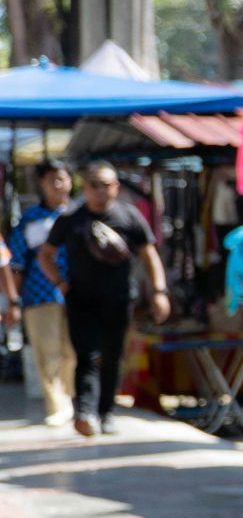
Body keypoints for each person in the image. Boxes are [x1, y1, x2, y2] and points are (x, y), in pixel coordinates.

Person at [38, 162, 170, 436]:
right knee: (86, 355)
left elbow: (149, 256)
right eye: (94, 185)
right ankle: (85, 412)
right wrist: (59, 282)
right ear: (84, 188)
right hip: (81, 300)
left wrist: (159, 292)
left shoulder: (129, 217)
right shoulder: (71, 220)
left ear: (116, 188)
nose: (100, 191)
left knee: (112, 356)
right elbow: (45, 255)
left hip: (118, 299)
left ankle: (106, 412)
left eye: (106, 185)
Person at [9, 164, 78, 425]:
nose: (58, 185)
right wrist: (13, 300)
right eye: (52, 180)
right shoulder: (31, 219)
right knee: (47, 353)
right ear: (42, 184)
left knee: (72, 352)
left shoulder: (79, 214)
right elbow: (16, 263)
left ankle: (72, 398)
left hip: (77, 294)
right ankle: (57, 406)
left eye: (62, 179)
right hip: (39, 295)